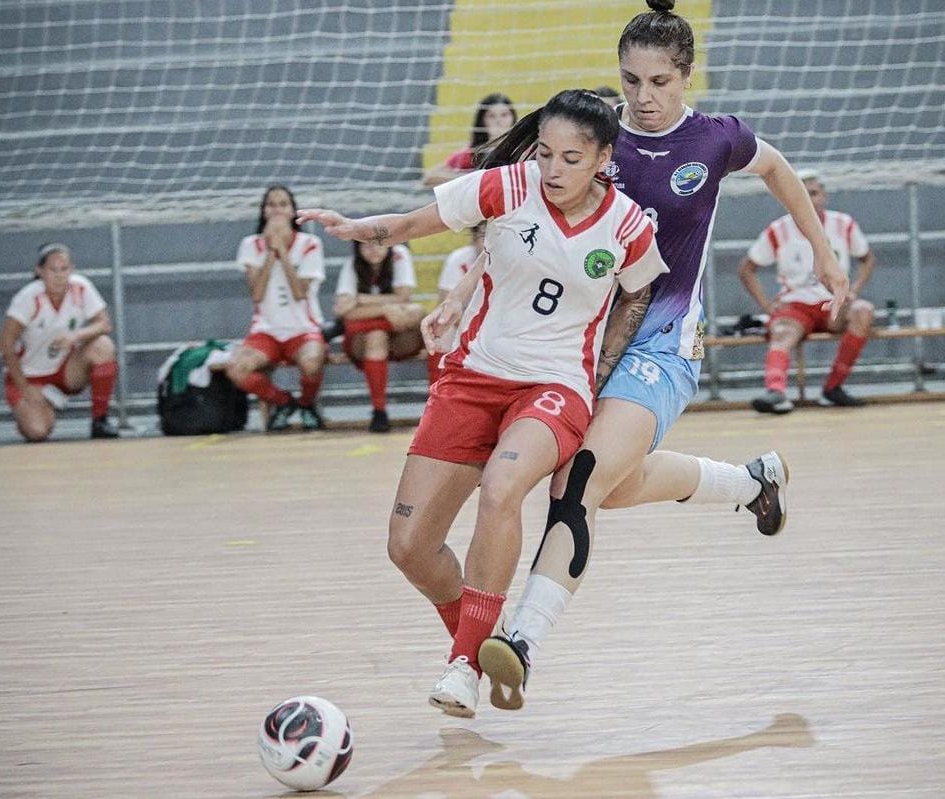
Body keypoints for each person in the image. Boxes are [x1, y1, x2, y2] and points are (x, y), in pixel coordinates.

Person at [476, 0, 849, 712]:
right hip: (581, 342)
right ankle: (749, 481)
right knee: (614, 487)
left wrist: (825, 253)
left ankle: (520, 640)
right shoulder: (595, 135)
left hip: (662, 343)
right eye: (631, 81)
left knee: (577, 482)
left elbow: (781, 173)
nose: (643, 99)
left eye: (659, 82)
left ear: (685, 76)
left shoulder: (716, 140)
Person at [299, 88, 669, 717]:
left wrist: (602, 368)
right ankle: (478, 645)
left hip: (554, 387)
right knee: (409, 547)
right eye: (546, 153)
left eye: (572, 159)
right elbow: (422, 222)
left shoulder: (630, 226)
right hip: (471, 377)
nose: (554, 169)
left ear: (605, 156)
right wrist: (365, 228)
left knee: (503, 486)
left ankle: (463, 667)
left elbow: (638, 294)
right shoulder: (509, 186)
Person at [741, 168, 876, 413]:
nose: (810, 198)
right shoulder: (779, 229)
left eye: (813, 192)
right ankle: (776, 392)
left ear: (823, 195)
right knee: (781, 331)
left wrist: (853, 289)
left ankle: (833, 388)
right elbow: (747, 269)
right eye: (802, 193)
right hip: (796, 305)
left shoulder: (843, 225)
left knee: (863, 311)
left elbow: (867, 258)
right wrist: (767, 307)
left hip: (833, 302)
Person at [225, 185, 328, 432]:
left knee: (313, 361)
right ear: (263, 211)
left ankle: (306, 404)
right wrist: (272, 252)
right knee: (236, 370)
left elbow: (299, 292)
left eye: (283, 204)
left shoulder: (310, 243)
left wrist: (283, 249)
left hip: (303, 328)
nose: (277, 210)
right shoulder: (251, 245)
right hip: (266, 330)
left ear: (293, 210)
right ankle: (284, 402)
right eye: (271, 204)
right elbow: (257, 294)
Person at [0, 243, 119, 441]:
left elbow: (104, 323)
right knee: (37, 432)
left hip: (64, 370)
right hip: (30, 376)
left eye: (64, 269)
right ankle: (33, 411)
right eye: (53, 270)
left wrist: (76, 336)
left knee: (103, 346)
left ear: (72, 269)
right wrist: (24, 387)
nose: (59, 275)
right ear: (40, 271)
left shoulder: (81, 287)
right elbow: (5, 344)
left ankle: (99, 420)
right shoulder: (28, 298)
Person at [334, 240, 425, 432]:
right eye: (365, 245)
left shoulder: (399, 254)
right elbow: (344, 311)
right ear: (357, 248)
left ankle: (440, 407)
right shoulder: (352, 264)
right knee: (377, 335)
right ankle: (379, 411)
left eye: (377, 244)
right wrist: (386, 309)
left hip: (400, 337)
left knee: (419, 313)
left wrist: (361, 300)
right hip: (364, 341)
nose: (373, 249)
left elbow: (404, 297)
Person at [427, 221, 486, 385]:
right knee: (441, 328)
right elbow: (445, 302)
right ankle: (437, 390)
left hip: (504, 324)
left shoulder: (517, 260)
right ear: (473, 239)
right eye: (484, 236)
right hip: (467, 320)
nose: (490, 241)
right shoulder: (459, 259)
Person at [421, 93, 518, 188]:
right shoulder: (471, 152)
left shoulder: (520, 149)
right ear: (482, 121)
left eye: (504, 115)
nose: (498, 120)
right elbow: (429, 178)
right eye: (491, 116)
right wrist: (472, 177)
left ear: (513, 118)